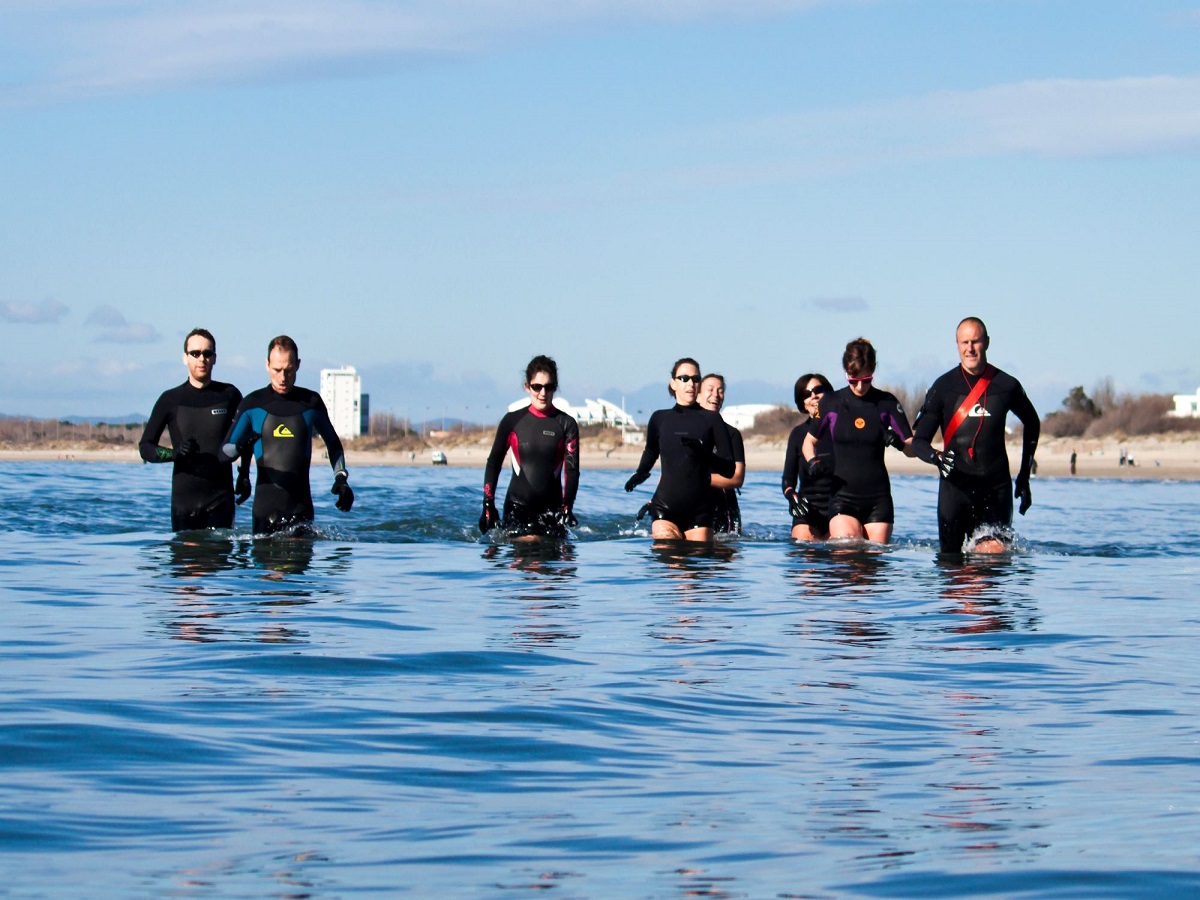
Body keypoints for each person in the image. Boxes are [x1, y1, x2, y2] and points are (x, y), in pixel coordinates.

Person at [911, 317, 1040, 554]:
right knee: (953, 576)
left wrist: (1024, 476)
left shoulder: (1006, 385)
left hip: (995, 489)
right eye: (964, 342)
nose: (970, 348)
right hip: (955, 490)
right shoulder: (943, 387)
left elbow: (1032, 423)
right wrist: (935, 457)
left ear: (987, 343)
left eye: (975, 342)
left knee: (992, 557)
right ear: (957, 345)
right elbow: (919, 442)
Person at [221, 335, 353, 534]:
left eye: (289, 370)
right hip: (264, 513)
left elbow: (333, 444)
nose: (283, 377)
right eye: (277, 370)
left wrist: (341, 479)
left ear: (298, 365)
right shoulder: (252, 404)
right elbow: (223, 453)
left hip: (301, 513)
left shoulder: (311, 403)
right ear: (267, 365)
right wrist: (239, 450)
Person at [139, 328, 251, 531]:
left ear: (215, 358)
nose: (202, 359)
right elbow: (145, 447)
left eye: (207, 354)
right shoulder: (170, 399)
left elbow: (247, 437)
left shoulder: (230, 395)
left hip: (220, 500)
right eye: (195, 353)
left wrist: (244, 476)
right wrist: (174, 454)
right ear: (185, 358)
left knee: (218, 560)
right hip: (184, 503)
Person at [802, 338, 912, 544]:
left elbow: (913, 448)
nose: (860, 386)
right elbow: (809, 443)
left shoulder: (886, 402)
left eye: (866, 379)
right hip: (843, 498)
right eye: (853, 380)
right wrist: (812, 462)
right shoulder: (830, 402)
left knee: (873, 563)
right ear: (846, 373)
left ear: (873, 371)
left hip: (878, 499)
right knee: (849, 549)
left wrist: (898, 442)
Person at [625, 358, 736, 543]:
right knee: (671, 563)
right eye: (684, 378)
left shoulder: (712, 420)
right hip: (665, 508)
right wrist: (640, 473)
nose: (690, 383)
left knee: (693, 569)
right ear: (673, 383)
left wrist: (703, 453)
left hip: (700, 512)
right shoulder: (659, 418)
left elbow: (729, 469)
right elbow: (651, 451)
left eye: (695, 378)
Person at [480, 355, 581, 540]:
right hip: (518, 508)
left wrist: (568, 506)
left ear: (555, 388)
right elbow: (493, 463)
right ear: (527, 387)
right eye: (537, 387)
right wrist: (488, 503)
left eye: (548, 387)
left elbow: (572, 471)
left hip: (552, 511)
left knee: (551, 563)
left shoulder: (566, 424)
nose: (543, 393)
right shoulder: (512, 421)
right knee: (528, 547)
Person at [781, 373, 834, 541]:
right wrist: (792, 498)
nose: (814, 396)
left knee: (841, 555)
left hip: (840, 508)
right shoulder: (798, 434)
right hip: (807, 511)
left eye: (818, 390)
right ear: (802, 403)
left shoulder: (841, 429)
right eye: (806, 394)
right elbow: (788, 481)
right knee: (805, 554)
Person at [697, 373, 745, 535]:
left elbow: (737, 478)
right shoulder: (685, 431)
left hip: (724, 507)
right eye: (710, 390)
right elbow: (669, 473)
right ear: (697, 395)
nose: (716, 395)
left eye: (720, 391)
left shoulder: (732, 434)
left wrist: (699, 479)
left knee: (724, 551)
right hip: (690, 501)